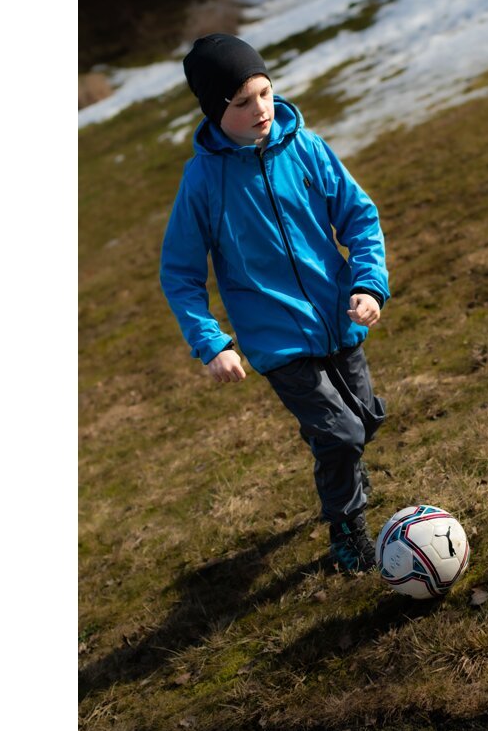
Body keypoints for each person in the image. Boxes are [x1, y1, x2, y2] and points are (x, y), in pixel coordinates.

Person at [159, 34, 390, 573]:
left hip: (340, 318)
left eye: (265, 92)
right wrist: (211, 342)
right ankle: (346, 527)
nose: (261, 108)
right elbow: (180, 273)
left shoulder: (307, 148)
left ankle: (338, 456)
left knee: (365, 421)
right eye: (243, 102)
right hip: (277, 339)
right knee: (341, 434)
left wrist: (368, 283)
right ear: (215, 111)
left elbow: (359, 216)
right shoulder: (203, 182)